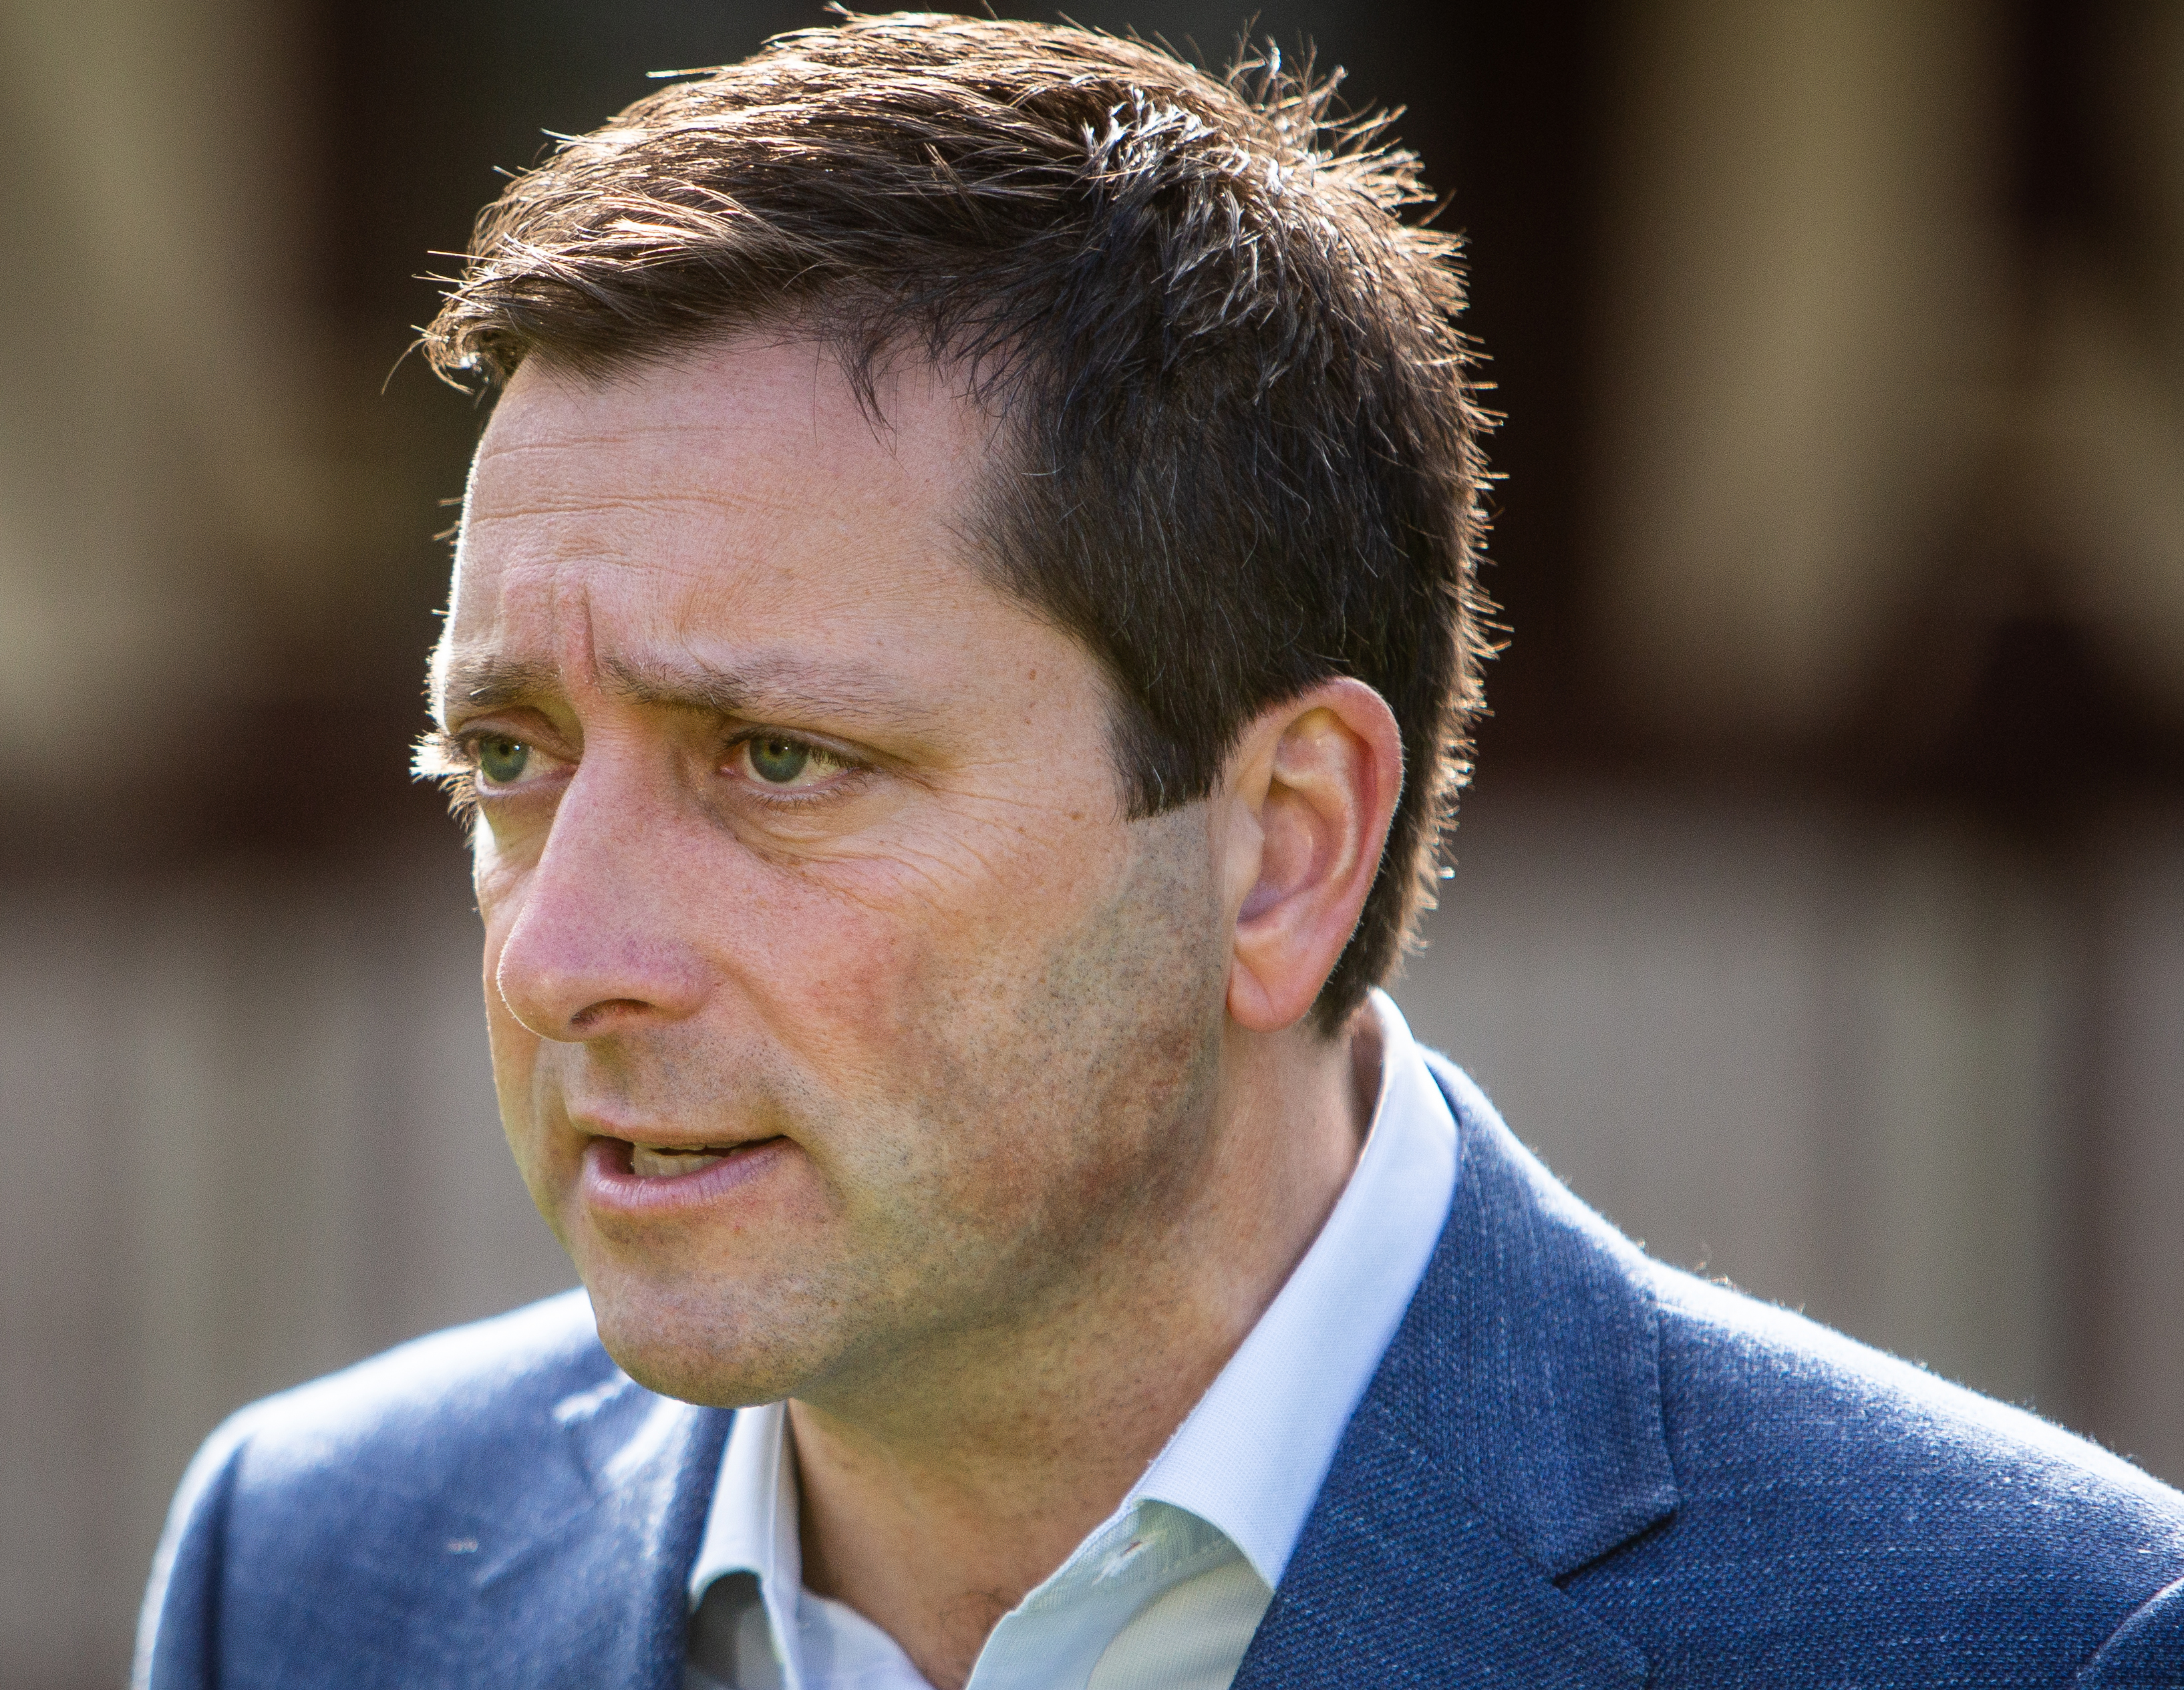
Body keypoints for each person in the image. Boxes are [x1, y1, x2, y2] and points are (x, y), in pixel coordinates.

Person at [132, 15, 2184, 1689]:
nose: (554, 950)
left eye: (774, 757)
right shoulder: (311, 1577)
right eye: (504, 755)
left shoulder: (2033, 1641)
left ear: (1279, 848)